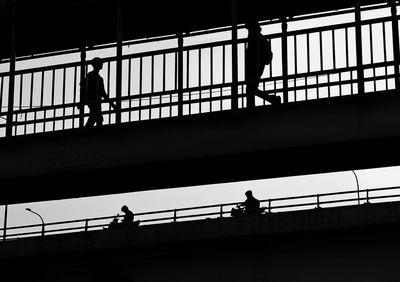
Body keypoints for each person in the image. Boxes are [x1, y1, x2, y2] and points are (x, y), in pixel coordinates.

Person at [245, 20, 281, 108]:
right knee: (251, 88)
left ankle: (270, 100)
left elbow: (252, 53)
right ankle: (271, 99)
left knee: (250, 88)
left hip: (255, 65)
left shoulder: (255, 37)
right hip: (255, 65)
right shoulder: (258, 37)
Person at [78, 57, 118, 127]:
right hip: (94, 100)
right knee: (97, 118)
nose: (102, 65)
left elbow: (83, 88)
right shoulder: (97, 78)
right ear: (98, 65)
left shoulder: (91, 76)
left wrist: (82, 101)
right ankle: (87, 133)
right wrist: (113, 105)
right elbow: (103, 93)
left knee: (95, 117)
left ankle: (86, 132)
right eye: (101, 63)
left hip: (92, 100)